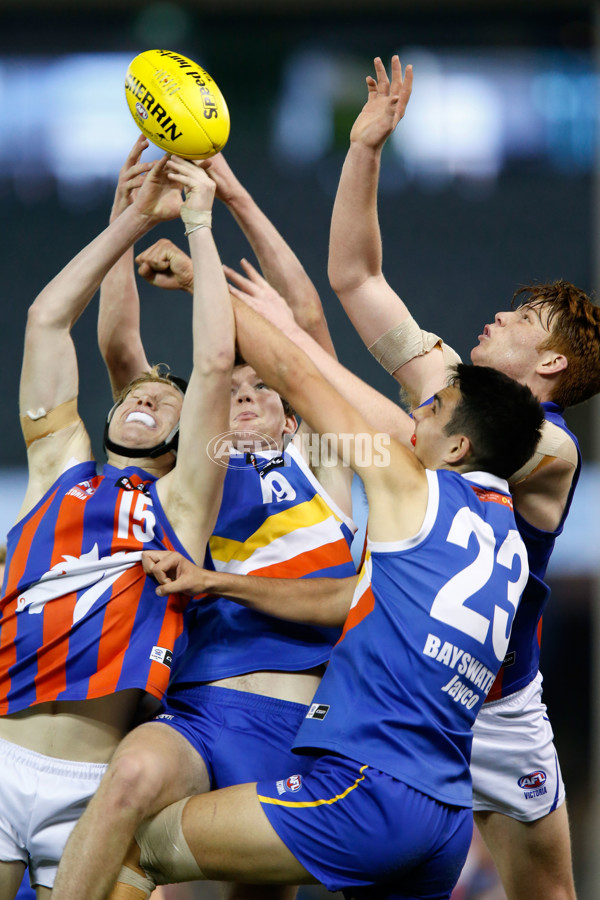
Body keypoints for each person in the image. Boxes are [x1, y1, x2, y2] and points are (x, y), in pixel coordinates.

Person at [108, 294, 545, 900]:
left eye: (434, 408)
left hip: (367, 785)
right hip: (446, 808)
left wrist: (200, 275)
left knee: (133, 845)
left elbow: (300, 373)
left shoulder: (404, 484)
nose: (414, 415)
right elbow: (353, 595)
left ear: (458, 447)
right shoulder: (512, 544)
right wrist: (216, 582)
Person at [51, 144, 358, 900]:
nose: (246, 394)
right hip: (200, 706)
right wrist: (126, 223)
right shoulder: (191, 467)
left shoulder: (322, 460)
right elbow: (125, 355)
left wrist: (236, 199)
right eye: (234, 386)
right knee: (127, 784)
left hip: (302, 726)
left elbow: (310, 325)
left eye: (264, 387)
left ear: (293, 414)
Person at [327, 56, 600, 900]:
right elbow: (357, 279)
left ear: (550, 360)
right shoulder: (449, 394)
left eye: (518, 319)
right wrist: (365, 148)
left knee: (546, 894)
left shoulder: (551, 451)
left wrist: (324, 397)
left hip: (500, 701)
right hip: (404, 675)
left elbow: (424, 441)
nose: (497, 316)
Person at [0, 154, 235, 900]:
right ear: (106, 415)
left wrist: (198, 224)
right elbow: (46, 318)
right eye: (135, 390)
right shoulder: (58, 467)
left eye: (167, 399)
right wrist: (131, 219)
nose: (148, 398)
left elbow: (217, 360)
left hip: (97, 788)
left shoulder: (185, 501)